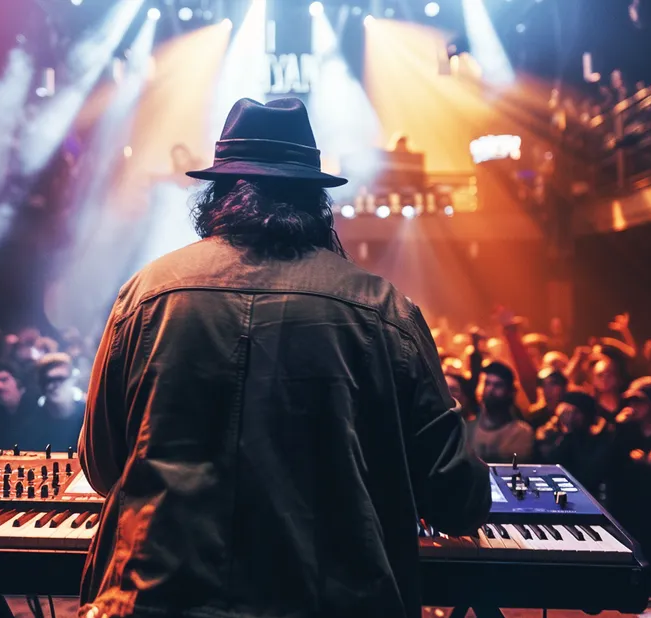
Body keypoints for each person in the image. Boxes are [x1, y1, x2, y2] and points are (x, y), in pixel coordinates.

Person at [78, 98, 491, 618]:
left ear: (218, 195)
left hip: (154, 601)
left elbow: (100, 465)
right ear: (318, 202)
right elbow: (457, 501)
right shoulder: (383, 310)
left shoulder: (146, 294)